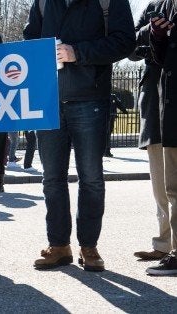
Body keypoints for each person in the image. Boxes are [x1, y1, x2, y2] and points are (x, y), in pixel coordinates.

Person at [24, 0, 135, 272]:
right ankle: (59, 246)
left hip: (90, 99)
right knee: (51, 179)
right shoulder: (42, 2)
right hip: (48, 100)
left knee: (92, 178)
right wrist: (37, 51)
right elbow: (30, 39)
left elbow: (125, 42)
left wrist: (78, 53)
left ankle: (89, 247)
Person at [129, 0, 171, 263]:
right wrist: (151, 31)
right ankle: (165, 243)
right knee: (160, 184)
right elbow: (130, 47)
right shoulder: (154, 7)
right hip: (155, 105)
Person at [147, 0, 177, 276]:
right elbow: (161, 59)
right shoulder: (162, 6)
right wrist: (158, 35)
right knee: (172, 188)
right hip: (169, 108)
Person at [103, 93, 129, 157]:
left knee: (107, 133)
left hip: (111, 116)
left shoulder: (112, 96)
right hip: (105, 117)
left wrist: (124, 110)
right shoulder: (102, 95)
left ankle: (106, 151)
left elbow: (119, 104)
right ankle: (106, 151)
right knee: (107, 133)